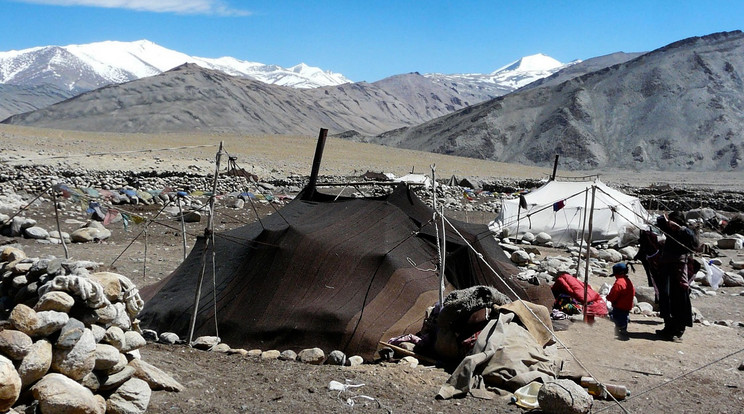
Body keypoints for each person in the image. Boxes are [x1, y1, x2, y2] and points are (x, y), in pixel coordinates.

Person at [655, 211, 696, 342]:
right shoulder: (669, 228)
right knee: (665, 296)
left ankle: (678, 329)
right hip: (667, 266)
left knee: (679, 296)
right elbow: (659, 221)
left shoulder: (686, 232)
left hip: (678, 268)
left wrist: (680, 228)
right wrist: (667, 221)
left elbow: (694, 241)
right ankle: (668, 327)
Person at [606, 262, 635, 338]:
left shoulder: (619, 283)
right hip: (627, 305)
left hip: (619, 305)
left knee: (616, 317)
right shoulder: (628, 281)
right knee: (624, 317)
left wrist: (608, 298)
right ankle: (623, 328)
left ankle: (621, 330)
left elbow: (614, 294)